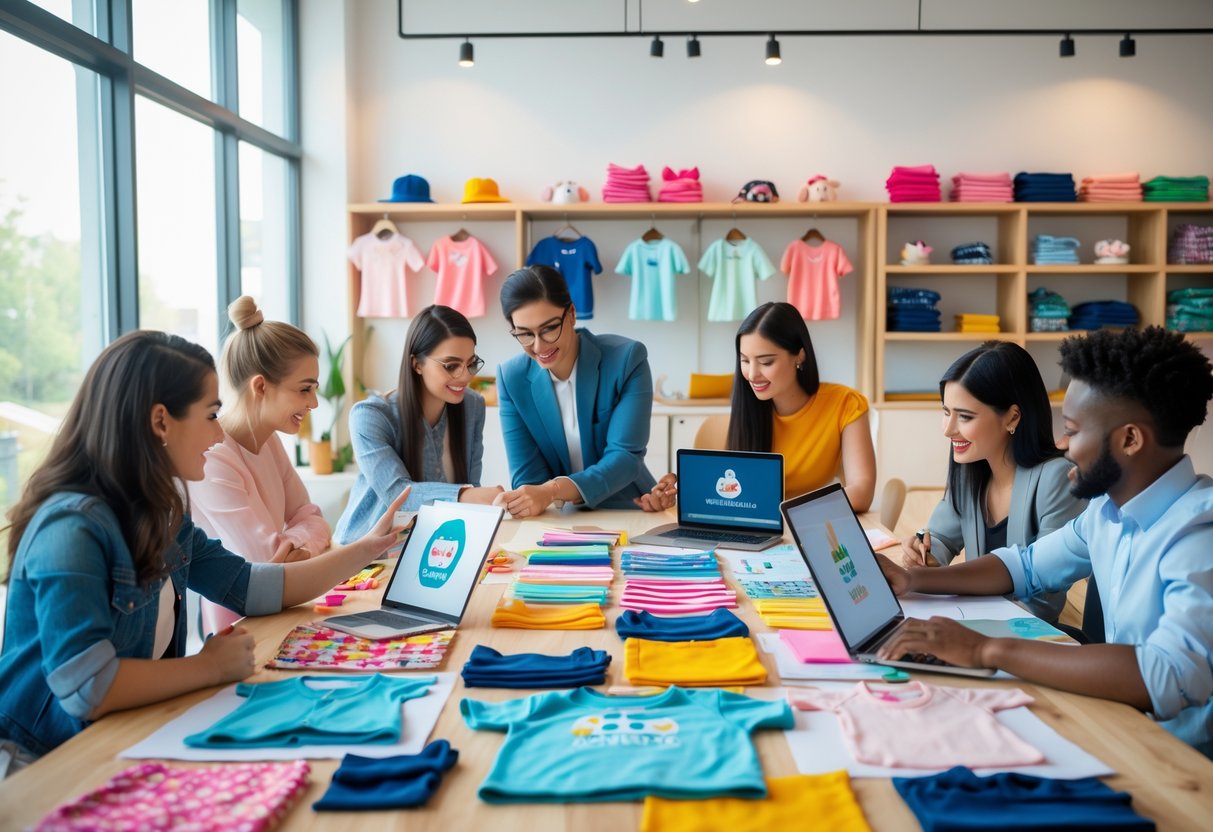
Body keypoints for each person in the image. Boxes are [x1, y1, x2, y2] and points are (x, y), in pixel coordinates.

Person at [0, 331, 410, 762]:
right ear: (161, 422)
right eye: (211, 415)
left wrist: (367, 547)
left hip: (125, 739)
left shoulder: (164, 514)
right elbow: (88, 688)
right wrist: (208, 666)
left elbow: (251, 586)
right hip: (46, 761)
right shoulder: (71, 529)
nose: (218, 436)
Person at [875, 327, 1213, 757]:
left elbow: (1169, 676)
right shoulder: (1105, 514)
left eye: (1072, 430)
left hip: (1178, 760)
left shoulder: (1200, 534)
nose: (1062, 445)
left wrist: (985, 649)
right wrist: (914, 580)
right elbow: (1025, 566)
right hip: (1118, 725)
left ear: (1130, 439)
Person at [900, 341, 1085, 624]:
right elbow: (940, 537)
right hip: (974, 621)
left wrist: (927, 581)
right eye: (946, 412)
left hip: (1025, 634)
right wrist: (924, 554)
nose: (947, 429)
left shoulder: (1056, 478)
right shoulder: (973, 468)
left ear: (1012, 417)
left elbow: (1043, 594)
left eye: (964, 416)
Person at [188, 296, 332, 635]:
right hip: (236, 622)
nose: (312, 402)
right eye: (304, 390)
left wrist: (293, 544)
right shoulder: (213, 456)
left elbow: (313, 519)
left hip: (279, 608)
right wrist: (292, 545)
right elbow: (263, 560)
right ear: (261, 386)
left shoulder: (270, 441)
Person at [494, 265, 675, 516]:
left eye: (549, 328)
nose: (539, 345)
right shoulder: (511, 377)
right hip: (554, 517)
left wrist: (551, 490)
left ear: (571, 314)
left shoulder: (626, 359)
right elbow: (527, 477)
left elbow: (624, 458)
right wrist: (534, 497)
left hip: (626, 507)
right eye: (525, 334)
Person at [334, 304, 503, 543]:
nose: (465, 376)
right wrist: (469, 495)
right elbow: (399, 496)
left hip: (434, 549)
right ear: (417, 364)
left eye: (471, 363)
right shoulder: (369, 416)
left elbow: (472, 487)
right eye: (451, 365)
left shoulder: (472, 406)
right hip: (368, 559)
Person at [728, 301, 875, 510]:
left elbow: (862, 491)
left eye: (766, 362)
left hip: (811, 523)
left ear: (800, 355)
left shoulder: (845, 404)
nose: (752, 374)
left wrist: (793, 512)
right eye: (744, 360)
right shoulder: (747, 408)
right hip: (759, 527)